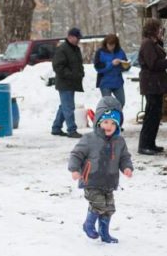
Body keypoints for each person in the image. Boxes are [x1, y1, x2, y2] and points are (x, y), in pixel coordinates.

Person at [69, 96, 133, 243]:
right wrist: (74, 169)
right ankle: (88, 224)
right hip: (91, 179)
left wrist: (127, 167)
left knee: (109, 208)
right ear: (98, 121)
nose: (109, 126)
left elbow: (124, 157)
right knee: (98, 204)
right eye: (105, 122)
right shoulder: (89, 139)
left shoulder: (119, 141)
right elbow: (76, 154)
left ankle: (104, 233)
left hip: (109, 181)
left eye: (113, 123)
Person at [137, 18, 167, 155]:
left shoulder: (153, 44)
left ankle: (150, 143)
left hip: (155, 84)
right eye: (159, 29)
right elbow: (153, 64)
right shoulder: (147, 44)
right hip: (151, 84)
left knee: (155, 115)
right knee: (151, 114)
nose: (161, 31)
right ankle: (144, 144)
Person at [51, 27, 85, 138]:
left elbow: (78, 64)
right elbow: (58, 66)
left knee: (64, 106)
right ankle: (71, 130)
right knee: (69, 107)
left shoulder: (75, 49)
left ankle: (56, 128)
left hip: (71, 82)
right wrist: (71, 75)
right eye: (77, 38)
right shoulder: (62, 49)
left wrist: (81, 72)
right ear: (70, 37)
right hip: (65, 82)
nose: (78, 40)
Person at [93, 34, 129, 119]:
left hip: (118, 82)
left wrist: (125, 65)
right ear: (106, 44)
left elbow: (126, 64)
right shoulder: (100, 52)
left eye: (113, 45)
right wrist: (111, 64)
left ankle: (115, 121)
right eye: (109, 45)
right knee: (108, 104)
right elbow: (98, 67)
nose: (111, 47)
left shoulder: (120, 51)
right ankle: (109, 123)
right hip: (105, 82)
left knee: (121, 102)